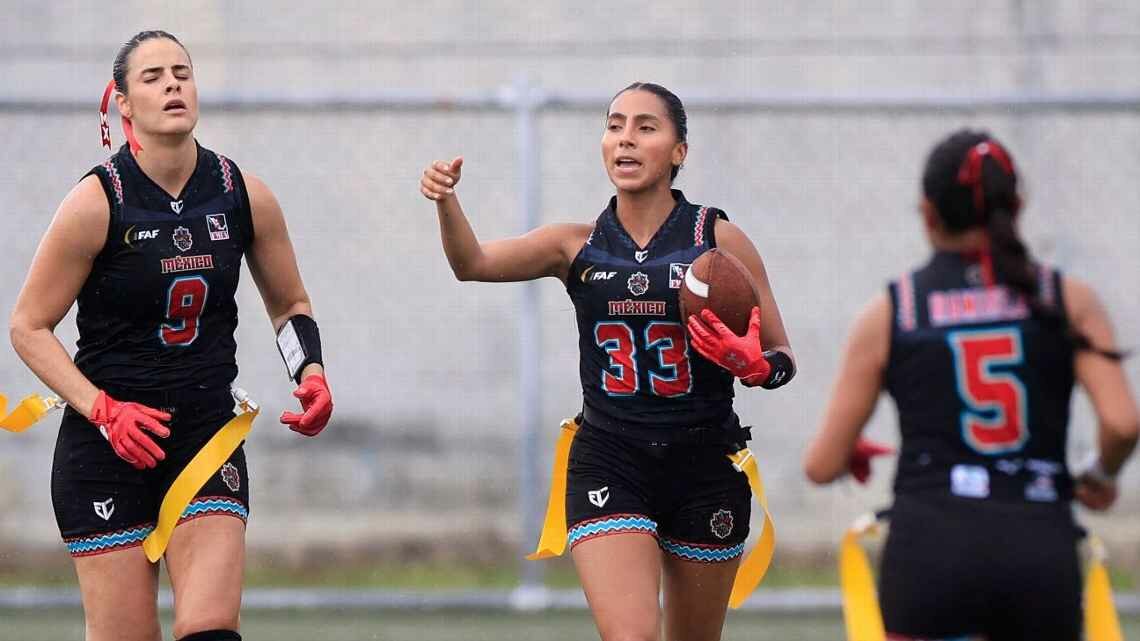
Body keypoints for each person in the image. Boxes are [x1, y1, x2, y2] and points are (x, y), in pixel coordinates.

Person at [421, 82, 795, 641]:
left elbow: (780, 354)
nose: (625, 138)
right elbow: (472, 263)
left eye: (646, 127)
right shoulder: (576, 244)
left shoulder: (717, 241)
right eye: (615, 125)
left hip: (705, 462)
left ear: (679, 150)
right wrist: (446, 202)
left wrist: (757, 367)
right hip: (611, 458)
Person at [9, 31, 333, 641]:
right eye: (153, 77)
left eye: (182, 73)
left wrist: (309, 372)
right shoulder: (97, 201)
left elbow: (290, 304)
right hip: (108, 448)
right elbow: (28, 326)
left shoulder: (242, 193)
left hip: (204, 434)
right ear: (123, 103)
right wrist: (103, 410)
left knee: (211, 628)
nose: (172, 85)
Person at [803, 129, 1139, 641]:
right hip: (1038, 549)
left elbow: (821, 465)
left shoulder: (893, 310)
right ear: (1017, 206)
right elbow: (1122, 423)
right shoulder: (1066, 298)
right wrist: (1100, 473)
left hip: (930, 552)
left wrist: (849, 448)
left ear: (928, 213)